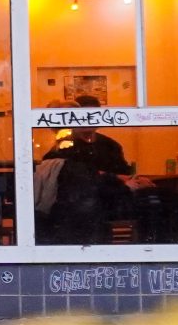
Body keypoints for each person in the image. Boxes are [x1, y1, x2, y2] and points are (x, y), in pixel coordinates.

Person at [37, 95, 136, 244]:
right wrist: (117, 179)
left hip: (111, 199)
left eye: (95, 115)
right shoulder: (64, 147)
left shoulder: (110, 145)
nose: (90, 120)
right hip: (81, 206)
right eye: (84, 116)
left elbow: (124, 172)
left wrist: (130, 181)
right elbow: (76, 177)